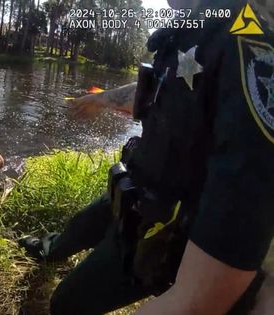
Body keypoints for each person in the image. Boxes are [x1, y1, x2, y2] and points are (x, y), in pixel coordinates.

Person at [19, 0, 274, 314]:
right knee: (81, 226)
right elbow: (168, 89)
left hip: (163, 230)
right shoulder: (199, 24)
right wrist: (100, 99)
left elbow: (198, 301)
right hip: (137, 186)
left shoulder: (250, 33)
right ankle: (50, 250)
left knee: (66, 303)